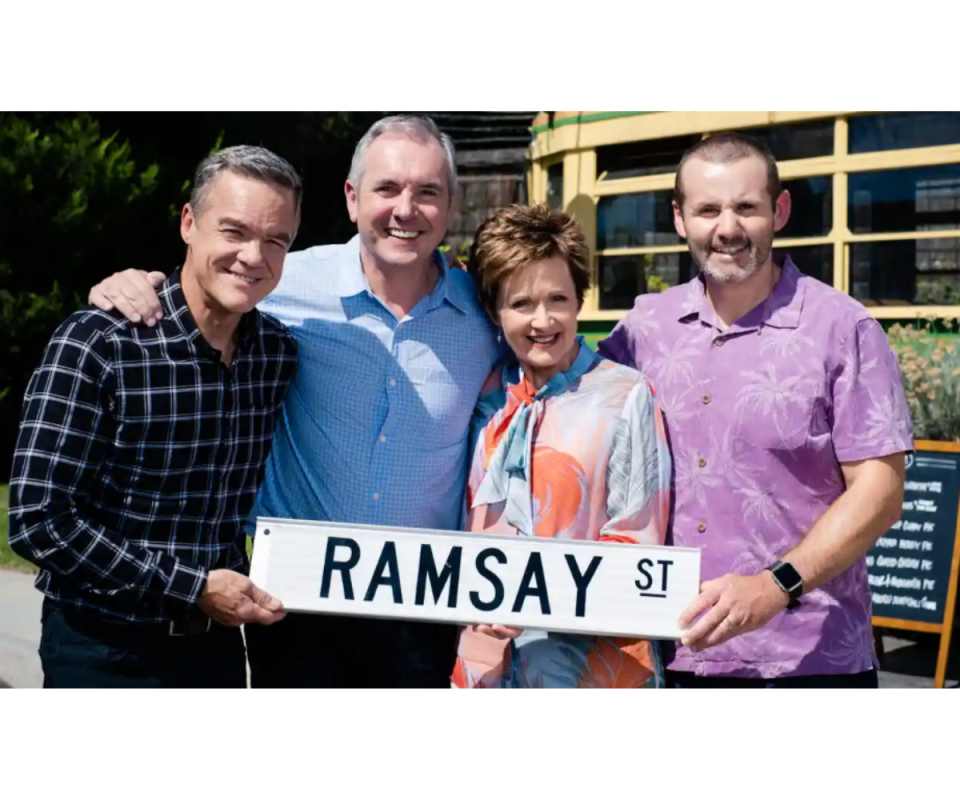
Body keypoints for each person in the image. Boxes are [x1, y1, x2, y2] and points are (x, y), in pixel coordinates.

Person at [87, 115, 505, 688]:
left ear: (451, 206)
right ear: (353, 198)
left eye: (427, 192)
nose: (406, 209)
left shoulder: (487, 316)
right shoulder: (281, 282)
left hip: (422, 612)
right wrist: (129, 284)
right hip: (295, 607)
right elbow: (207, 278)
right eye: (387, 189)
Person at [597, 132, 913, 687]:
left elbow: (880, 495)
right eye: (708, 210)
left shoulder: (843, 329)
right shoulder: (642, 331)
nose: (727, 229)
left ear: (780, 210)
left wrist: (775, 586)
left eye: (747, 207)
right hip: (664, 652)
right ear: (679, 219)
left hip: (806, 660)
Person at [7, 145, 302, 688]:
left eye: (276, 240)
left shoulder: (277, 355)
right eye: (233, 231)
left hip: (215, 653)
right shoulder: (100, 342)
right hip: (101, 649)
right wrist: (191, 587)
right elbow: (37, 520)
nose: (254, 256)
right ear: (189, 222)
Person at [448, 204, 672, 688]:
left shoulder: (626, 394)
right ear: (494, 311)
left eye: (558, 299)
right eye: (521, 304)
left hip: (587, 665)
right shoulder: (484, 396)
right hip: (485, 661)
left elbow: (636, 540)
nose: (542, 320)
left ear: (579, 301)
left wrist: (531, 603)